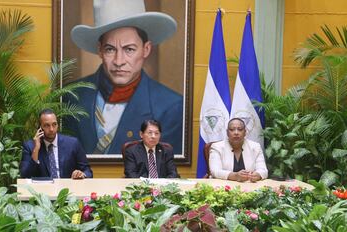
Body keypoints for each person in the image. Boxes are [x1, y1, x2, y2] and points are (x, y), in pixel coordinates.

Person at [63, 0, 183, 154]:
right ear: (100, 50)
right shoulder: (71, 96)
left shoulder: (171, 107)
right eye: (110, 49)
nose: (119, 61)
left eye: (129, 49)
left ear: (146, 50)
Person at [20, 109, 93, 179]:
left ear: (57, 125)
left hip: (68, 189)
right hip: (42, 190)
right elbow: (25, 176)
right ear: (40, 128)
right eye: (47, 125)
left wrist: (82, 174)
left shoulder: (73, 144)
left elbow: (88, 172)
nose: (51, 129)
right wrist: (36, 149)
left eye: (54, 124)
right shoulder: (30, 147)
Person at [209, 118, 268, 182]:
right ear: (227, 133)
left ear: (245, 132)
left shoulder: (255, 147)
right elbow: (215, 171)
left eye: (240, 129)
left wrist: (258, 175)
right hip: (223, 187)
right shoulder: (217, 147)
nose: (236, 133)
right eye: (232, 130)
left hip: (248, 186)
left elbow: (263, 170)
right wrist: (235, 176)